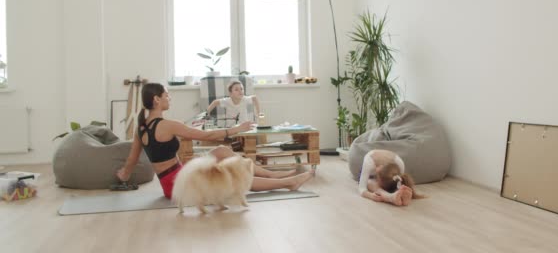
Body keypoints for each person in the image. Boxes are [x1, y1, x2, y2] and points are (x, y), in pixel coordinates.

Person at [117, 82, 314, 199]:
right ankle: (288, 182)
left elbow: (131, 161)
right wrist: (236, 129)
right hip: (181, 184)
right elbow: (207, 135)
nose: (170, 99)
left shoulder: (141, 127)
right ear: (157, 100)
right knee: (233, 177)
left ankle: (272, 175)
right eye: (167, 96)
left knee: (221, 151)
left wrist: (123, 176)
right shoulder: (168, 125)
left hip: (175, 179)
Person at [358, 149, 423, 206]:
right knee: (369, 182)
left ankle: (395, 195)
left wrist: (400, 190)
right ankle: (390, 196)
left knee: (395, 184)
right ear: (377, 172)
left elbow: (398, 181)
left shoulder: (399, 164)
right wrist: (371, 196)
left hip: (386, 179)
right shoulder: (368, 163)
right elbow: (362, 189)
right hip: (369, 174)